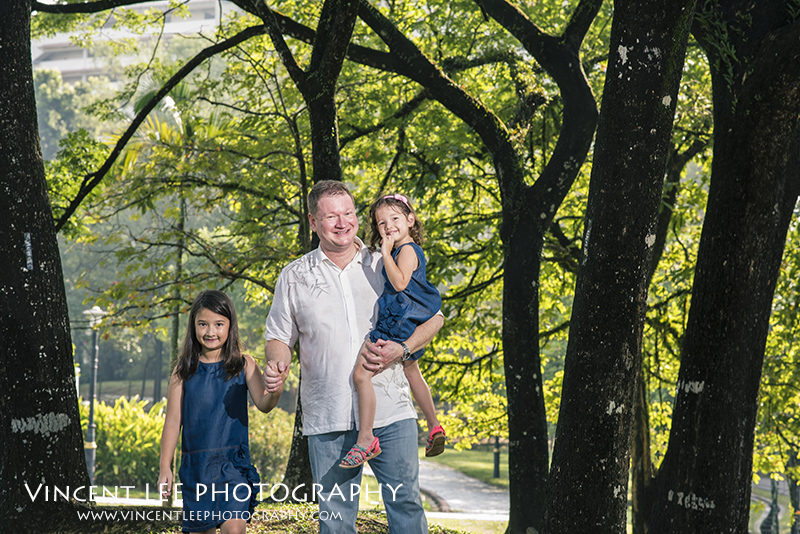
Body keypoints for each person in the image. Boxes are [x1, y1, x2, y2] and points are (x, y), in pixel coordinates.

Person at [263, 180, 443, 534]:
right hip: (327, 417)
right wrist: (276, 362)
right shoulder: (294, 276)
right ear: (314, 222)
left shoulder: (385, 263)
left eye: (348, 214)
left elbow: (434, 317)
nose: (342, 222)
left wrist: (403, 349)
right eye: (331, 216)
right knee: (335, 518)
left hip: (392, 413)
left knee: (406, 505)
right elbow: (278, 337)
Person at [157, 290, 288, 534]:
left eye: (219, 324)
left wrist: (276, 388)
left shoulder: (245, 364)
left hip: (232, 466)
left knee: (234, 529)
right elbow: (173, 422)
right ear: (193, 326)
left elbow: (265, 404)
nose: (210, 332)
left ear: (230, 326)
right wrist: (166, 467)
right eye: (203, 324)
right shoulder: (183, 371)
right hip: (197, 469)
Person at [339, 194, 445, 469]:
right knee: (412, 372)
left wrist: (385, 252)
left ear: (411, 220)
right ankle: (434, 425)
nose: (388, 227)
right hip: (409, 321)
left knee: (361, 375)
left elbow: (399, 284)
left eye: (395, 219)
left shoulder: (407, 250)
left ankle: (366, 439)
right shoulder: (404, 250)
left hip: (397, 322)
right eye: (381, 223)